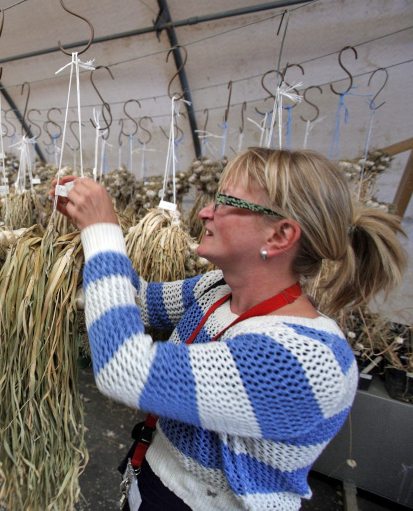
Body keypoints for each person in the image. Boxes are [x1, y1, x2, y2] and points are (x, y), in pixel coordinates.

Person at [50, 147, 407, 510]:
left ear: (280, 235)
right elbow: (140, 299)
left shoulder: (306, 360)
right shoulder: (218, 289)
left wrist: (102, 231)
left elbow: (124, 368)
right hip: (151, 481)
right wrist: (85, 235)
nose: (205, 211)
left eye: (225, 203)